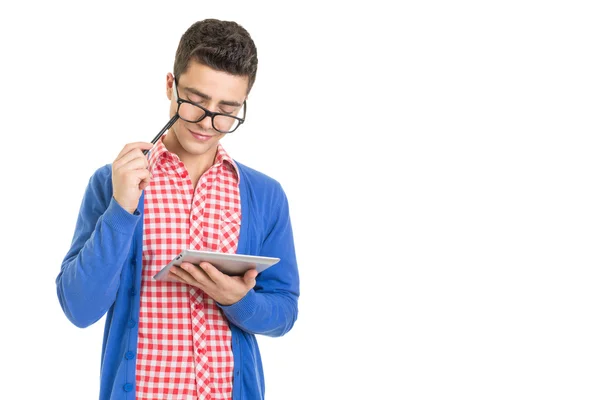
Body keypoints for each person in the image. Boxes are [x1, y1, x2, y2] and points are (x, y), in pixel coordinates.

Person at [56, 18, 300, 400]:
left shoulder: (265, 195)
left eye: (227, 109)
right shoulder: (113, 182)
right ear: (170, 85)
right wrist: (121, 209)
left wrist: (237, 300)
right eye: (196, 101)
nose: (208, 122)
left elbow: (284, 311)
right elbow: (79, 308)